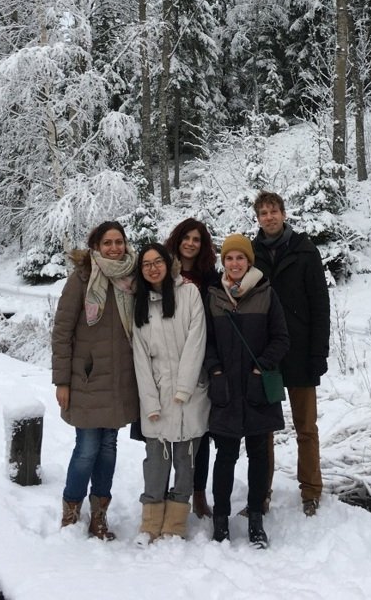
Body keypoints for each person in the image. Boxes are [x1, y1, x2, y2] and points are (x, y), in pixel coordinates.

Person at [51, 220, 139, 539]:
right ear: (96, 246)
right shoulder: (82, 279)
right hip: (87, 379)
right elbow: (62, 333)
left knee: (109, 448)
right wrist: (62, 381)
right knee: (87, 448)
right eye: (108, 243)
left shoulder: (133, 278)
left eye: (119, 242)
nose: (114, 248)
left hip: (120, 381)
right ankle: (71, 509)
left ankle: (99, 514)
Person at [205, 233, 289, 548]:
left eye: (240, 257)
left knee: (258, 456)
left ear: (248, 261)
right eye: (229, 258)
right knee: (224, 456)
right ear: (223, 262)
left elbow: (282, 337)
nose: (235, 263)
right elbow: (206, 340)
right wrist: (214, 369)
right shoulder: (213, 295)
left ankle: (256, 518)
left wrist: (261, 366)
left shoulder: (266, 293)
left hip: (256, 388)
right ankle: (221, 520)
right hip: (225, 388)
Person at [251, 190, 330, 517]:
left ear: (284, 214)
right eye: (262, 213)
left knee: (306, 427)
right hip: (267, 355)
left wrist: (318, 354)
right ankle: (261, 493)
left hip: (299, 353)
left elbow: (320, 306)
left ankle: (311, 490)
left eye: (273, 211)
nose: (268, 217)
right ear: (257, 218)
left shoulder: (304, 251)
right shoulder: (250, 254)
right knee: (263, 429)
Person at [132, 242, 210, 543]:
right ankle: (150, 524)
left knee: (185, 461)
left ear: (168, 263)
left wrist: (184, 387)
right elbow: (139, 357)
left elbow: (196, 340)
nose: (153, 268)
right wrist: (150, 400)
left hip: (190, 394)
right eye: (146, 264)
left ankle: (175, 525)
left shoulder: (188, 293)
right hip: (158, 395)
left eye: (157, 261)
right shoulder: (140, 304)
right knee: (155, 461)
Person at [165, 217, 220, 519]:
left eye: (196, 239)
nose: (190, 243)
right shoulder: (161, 271)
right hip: (166, 361)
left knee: (201, 430)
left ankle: (198, 493)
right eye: (186, 237)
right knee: (164, 429)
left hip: (201, 360)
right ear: (177, 239)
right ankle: (164, 492)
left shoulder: (209, 277)